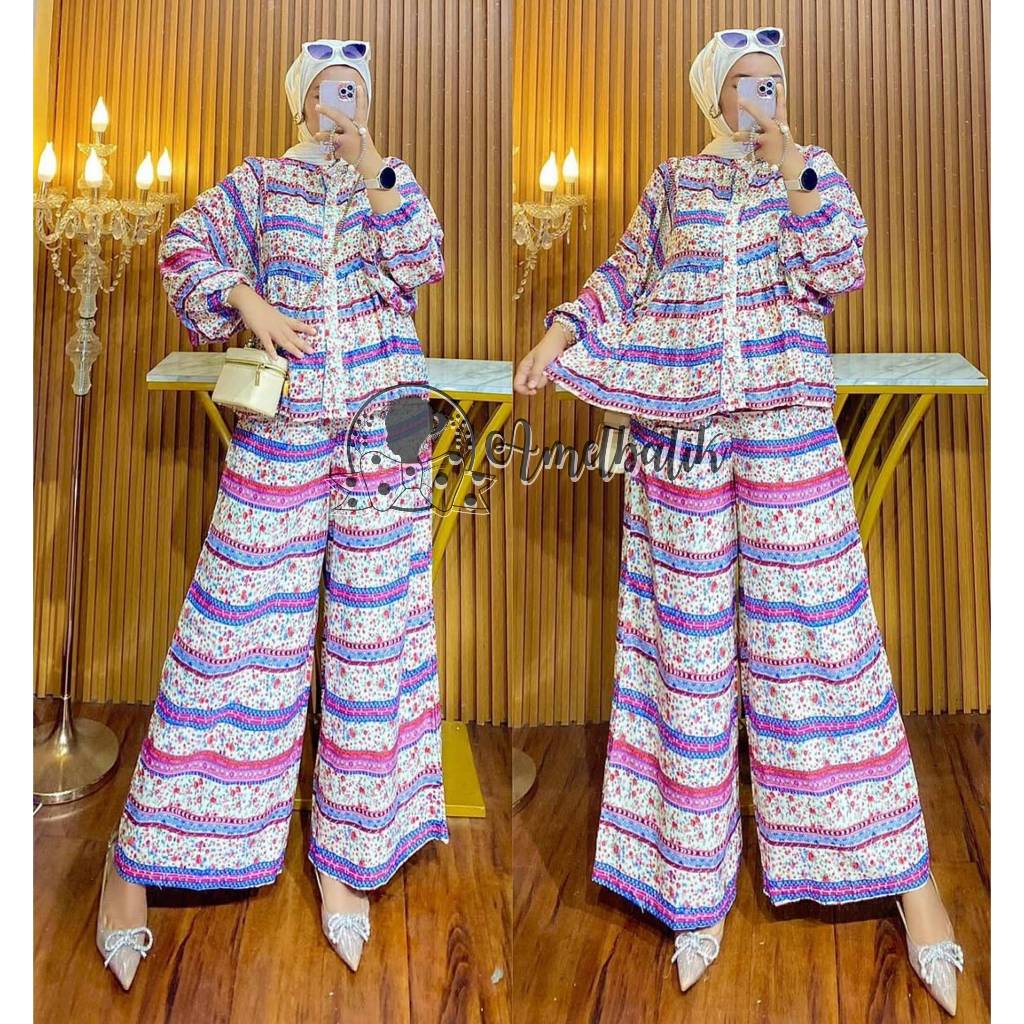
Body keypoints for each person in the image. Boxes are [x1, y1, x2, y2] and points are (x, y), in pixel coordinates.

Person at [513, 26, 965, 1016]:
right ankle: (691, 883)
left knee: (825, 643)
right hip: (679, 437)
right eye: (747, 82)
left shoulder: (811, 170)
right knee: (685, 650)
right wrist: (560, 331)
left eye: (775, 81)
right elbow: (623, 274)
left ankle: (909, 883)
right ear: (713, 95)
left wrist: (793, 157)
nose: (763, 94)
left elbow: (839, 265)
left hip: (787, 429)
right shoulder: (674, 182)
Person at [94, 38, 448, 990]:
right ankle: (135, 864)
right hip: (286, 420)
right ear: (301, 100)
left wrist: (374, 164)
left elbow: (425, 259)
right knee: (235, 630)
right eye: (331, 88)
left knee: (377, 636)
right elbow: (182, 248)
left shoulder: (386, 179)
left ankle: (348, 857)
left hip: (393, 418)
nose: (345, 101)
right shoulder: (258, 182)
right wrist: (246, 299)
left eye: (357, 89)